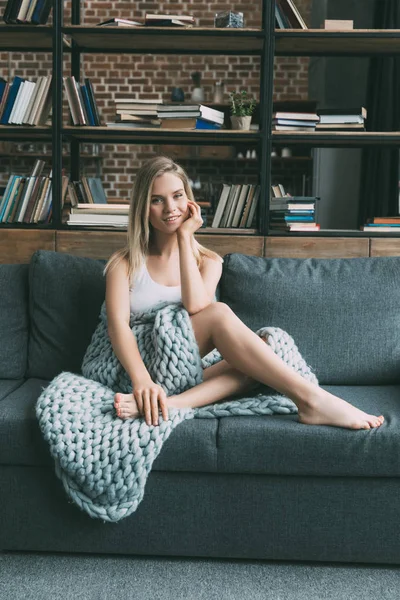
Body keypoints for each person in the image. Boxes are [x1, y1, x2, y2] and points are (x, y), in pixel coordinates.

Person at [103, 155, 384, 431]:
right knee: (219, 314)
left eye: (177, 196)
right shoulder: (124, 263)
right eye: (157, 200)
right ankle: (312, 399)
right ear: (143, 207)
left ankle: (172, 404)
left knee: (259, 358)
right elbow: (118, 328)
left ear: (189, 201)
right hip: (141, 370)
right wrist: (142, 381)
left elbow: (195, 303)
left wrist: (185, 237)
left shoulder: (208, 262)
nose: (170, 208)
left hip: (185, 371)